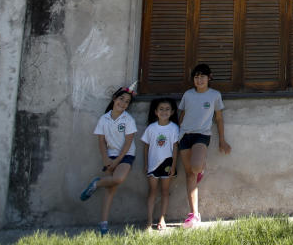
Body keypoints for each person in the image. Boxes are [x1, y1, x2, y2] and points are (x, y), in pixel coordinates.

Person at [178, 63, 231, 228]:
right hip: (184, 135)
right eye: (196, 77)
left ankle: (201, 168)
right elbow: (182, 114)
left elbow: (219, 119)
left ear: (209, 78)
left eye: (202, 76)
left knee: (195, 167)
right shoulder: (188, 94)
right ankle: (194, 214)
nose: (199, 80)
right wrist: (176, 135)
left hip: (202, 135)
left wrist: (222, 140)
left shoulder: (215, 95)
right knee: (189, 175)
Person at [80, 85, 138, 235]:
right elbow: (101, 141)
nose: (123, 103)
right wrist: (106, 159)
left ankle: (96, 183)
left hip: (126, 155)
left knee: (118, 179)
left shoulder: (128, 119)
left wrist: (118, 160)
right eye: (121, 99)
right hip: (110, 156)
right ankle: (103, 224)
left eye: (127, 101)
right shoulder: (104, 119)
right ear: (114, 99)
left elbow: (128, 142)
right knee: (110, 189)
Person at [140, 97, 180, 231]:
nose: (164, 112)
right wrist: (146, 163)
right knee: (152, 191)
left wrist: (174, 165)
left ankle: (162, 219)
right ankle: (149, 220)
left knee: (165, 191)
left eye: (167, 109)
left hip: (168, 165)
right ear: (156, 112)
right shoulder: (151, 128)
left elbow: (175, 147)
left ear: (172, 112)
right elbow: (145, 147)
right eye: (161, 109)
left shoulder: (174, 128)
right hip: (152, 165)